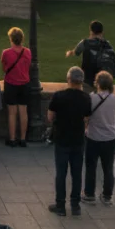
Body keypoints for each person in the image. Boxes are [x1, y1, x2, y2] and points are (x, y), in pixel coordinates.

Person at [46, 67, 90, 216]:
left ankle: (60, 205)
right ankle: (75, 205)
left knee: (61, 173)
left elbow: (50, 117)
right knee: (77, 173)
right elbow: (86, 119)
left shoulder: (59, 96)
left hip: (62, 138)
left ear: (69, 79)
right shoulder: (86, 98)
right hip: (77, 139)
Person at [83, 70, 115, 206]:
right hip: (110, 137)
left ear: (97, 83)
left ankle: (89, 194)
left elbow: (86, 115)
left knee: (90, 166)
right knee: (108, 167)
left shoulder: (91, 98)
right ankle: (107, 195)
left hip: (93, 136)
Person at [66, 20, 115, 92]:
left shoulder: (85, 42)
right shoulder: (108, 45)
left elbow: (76, 52)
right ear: (102, 32)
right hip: (103, 83)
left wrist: (69, 52)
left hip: (88, 81)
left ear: (91, 31)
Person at [2, 27, 32, 147]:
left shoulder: (6, 53)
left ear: (11, 39)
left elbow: (4, 68)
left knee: (12, 113)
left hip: (11, 84)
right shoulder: (28, 52)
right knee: (23, 111)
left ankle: (12, 138)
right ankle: (23, 139)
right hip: (24, 84)